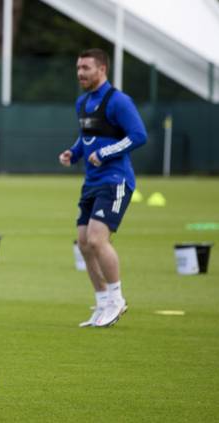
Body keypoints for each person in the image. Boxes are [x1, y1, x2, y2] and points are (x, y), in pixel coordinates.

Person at [58, 48, 147, 328]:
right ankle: (102, 301)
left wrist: (106, 153)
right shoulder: (82, 103)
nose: (80, 73)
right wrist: (73, 153)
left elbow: (138, 135)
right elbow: (86, 137)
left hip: (116, 180)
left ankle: (117, 299)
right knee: (84, 244)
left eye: (86, 68)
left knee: (97, 239)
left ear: (102, 69)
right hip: (91, 183)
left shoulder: (119, 101)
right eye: (78, 68)